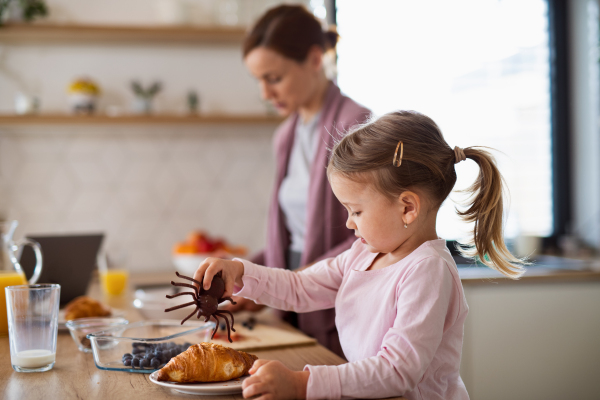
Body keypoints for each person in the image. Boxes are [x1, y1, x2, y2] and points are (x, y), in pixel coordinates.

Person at [194, 110, 525, 399]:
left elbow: (397, 371)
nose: (349, 222)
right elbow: (299, 288)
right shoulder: (362, 255)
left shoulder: (428, 271)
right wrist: (241, 273)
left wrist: (302, 384)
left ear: (407, 207)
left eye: (356, 210)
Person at [225, 4, 371, 357]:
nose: (264, 92)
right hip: (292, 305)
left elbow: (372, 238)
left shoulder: (358, 126)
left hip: (340, 307)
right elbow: (292, 237)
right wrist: (250, 278)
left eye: (273, 78)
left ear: (315, 59)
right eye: (258, 80)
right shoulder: (286, 134)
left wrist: (280, 284)